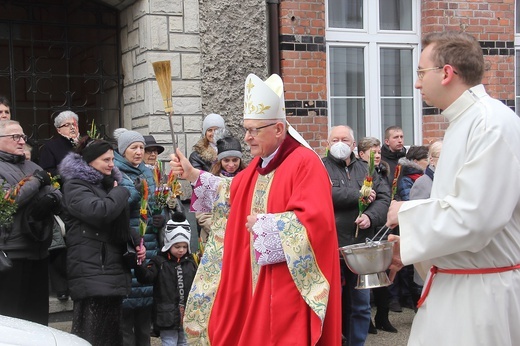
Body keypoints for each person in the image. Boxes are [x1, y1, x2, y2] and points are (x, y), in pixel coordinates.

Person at [170, 73, 341, 345]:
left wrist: (267, 227)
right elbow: (233, 192)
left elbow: (318, 223)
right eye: (246, 129)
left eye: (254, 130)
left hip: (286, 289)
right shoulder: (259, 165)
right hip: (256, 285)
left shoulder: (304, 163)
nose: (247, 138)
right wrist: (192, 175)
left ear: (278, 129)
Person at [386, 31, 520, 345]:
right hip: (457, 287)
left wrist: (406, 211)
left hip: (481, 298)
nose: (417, 83)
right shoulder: (466, 121)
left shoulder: (490, 124)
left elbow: (475, 218)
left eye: (421, 72)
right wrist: (407, 250)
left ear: (446, 73)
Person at [58, 137, 145, 345]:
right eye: (106, 160)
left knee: (110, 337)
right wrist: (120, 191)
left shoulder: (105, 184)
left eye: (112, 159)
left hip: (109, 270)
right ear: (90, 161)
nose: (111, 164)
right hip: (93, 271)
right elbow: (100, 213)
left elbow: (117, 223)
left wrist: (135, 243)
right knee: (92, 336)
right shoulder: (75, 186)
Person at [322, 126, 391, 345]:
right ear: (328, 144)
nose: (339, 143)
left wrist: (371, 217)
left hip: (361, 248)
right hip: (331, 248)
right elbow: (322, 194)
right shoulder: (319, 168)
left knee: (361, 306)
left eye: (344, 139)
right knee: (331, 306)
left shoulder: (366, 169)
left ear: (353, 145)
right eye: (335, 139)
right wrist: (358, 194)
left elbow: (383, 198)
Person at [0, 120, 62, 325]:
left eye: (23, 136)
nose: (21, 141)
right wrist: (36, 182)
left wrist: (52, 199)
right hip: (12, 254)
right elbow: (8, 200)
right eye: (15, 137)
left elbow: (55, 189)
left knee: (37, 319)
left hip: (39, 249)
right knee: (13, 319)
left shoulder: (31, 165)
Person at [115, 129, 165, 346]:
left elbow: (155, 204)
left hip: (149, 242)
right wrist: (135, 192)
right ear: (122, 150)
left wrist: (160, 217)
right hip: (129, 242)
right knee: (126, 313)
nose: (138, 152)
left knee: (145, 305)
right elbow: (116, 205)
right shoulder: (115, 171)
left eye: (141, 148)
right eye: (133, 147)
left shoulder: (147, 172)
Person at [135, 213, 198, 346]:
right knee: (169, 342)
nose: (181, 250)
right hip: (166, 315)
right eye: (177, 246)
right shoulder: (159, 262)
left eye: (184, 247)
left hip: (187, 314)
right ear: (169, 244)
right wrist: (139, 265)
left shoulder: (191, 263)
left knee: (184, 342)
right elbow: (146, 277)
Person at [39, 110, 81, 302]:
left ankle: (77, 283)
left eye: (75, 124)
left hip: (83, 200)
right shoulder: (51, 147)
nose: (72, 128)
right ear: (58, 129)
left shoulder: (84, 144)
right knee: (60, 247)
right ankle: (61, 287)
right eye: (67, 125)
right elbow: (48, 173)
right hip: (62, 201)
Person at [357, 136, 397, 334]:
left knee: (383, 274)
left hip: (382, 226)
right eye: (373, 152)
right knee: (367, 276)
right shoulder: (361, 171)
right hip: (368, 228)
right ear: (361, 154)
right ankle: (369, 320)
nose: (378, 155)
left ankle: (383, 315)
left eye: (379, 151)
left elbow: (386, 196)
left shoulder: (383, 171)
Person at [195, 130, 246, 244]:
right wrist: (223, 230)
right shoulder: (209, 181)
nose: (231, 165)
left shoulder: (247, 179)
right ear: (220, 161)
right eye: (226, 160)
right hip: (214, 237)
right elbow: (202, 215)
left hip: (240, 237)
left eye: (235, 160)